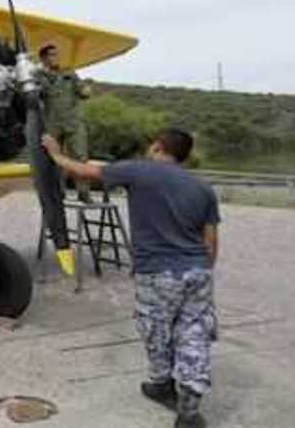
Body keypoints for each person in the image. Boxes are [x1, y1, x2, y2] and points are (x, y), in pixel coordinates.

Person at [43, 129, 220, 428]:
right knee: (194, 334)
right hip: (198, 271)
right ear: (185, 155)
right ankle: (189, 410)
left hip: (157, 271)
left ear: (157, 147)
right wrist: (202, 271)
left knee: (157, 330)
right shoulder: (203, 188)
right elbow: (211, 243)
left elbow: (84, 172)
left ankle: (162, 384)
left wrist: (55, 153)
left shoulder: (140, 171)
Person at [37, 43, 92, 202]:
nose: (55, 57)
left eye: (56, 54)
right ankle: (57, 193)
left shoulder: (69, 73)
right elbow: (34, 96)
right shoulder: (39, 77)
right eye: (51, 55)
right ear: (43, 58)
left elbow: (83, 92)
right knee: (54, 159)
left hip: (74, 122)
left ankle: (83, 193)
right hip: (52, 123)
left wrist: (86, 89)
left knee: (80, 156)